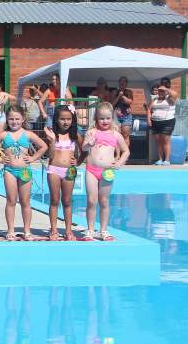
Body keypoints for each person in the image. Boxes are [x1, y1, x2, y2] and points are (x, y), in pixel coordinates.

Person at [0, 106, 47, 241]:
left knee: (25, 201)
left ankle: (27, 230)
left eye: (17, 119)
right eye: (11, 119)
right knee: (11, 200)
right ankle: (11, 230)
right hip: (9, 171)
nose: (14, 122)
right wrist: (0, 159)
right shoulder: (3, 135)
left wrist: (32, 158)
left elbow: (44, 146)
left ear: (23, 119)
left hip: (25, 170)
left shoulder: (28, 134)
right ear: (7, 120)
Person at [82, 103, 130, 240]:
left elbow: (126, 151)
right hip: (91, 170)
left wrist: (120, 162)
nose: (105, 121)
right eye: (101, 118)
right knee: (91, 201)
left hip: (107, 171)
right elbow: (84, 148)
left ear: (112, 118)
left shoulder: (116, 135)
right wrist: (88, 144)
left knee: (104, 201)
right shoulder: (92, 132)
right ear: (96, 118)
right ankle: (90, 230)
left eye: (108, 118)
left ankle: (103, 230)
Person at [43, 107, 82, 241]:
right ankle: (53, 230)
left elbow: (85, 151)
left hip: (69, 171)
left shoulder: (75, 136)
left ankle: (68, 230)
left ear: (73, 120)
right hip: (54, 169)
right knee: (54, 201)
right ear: (56, 120)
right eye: (62, 119)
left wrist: (78, 161)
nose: (65, 122)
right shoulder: (52, 135)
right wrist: (53, 140)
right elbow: (51, 155)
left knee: (67, 201)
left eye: (68, 119)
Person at [147, 81, 178, 165]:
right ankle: (160, 159)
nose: (160, 92)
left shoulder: (170, 99)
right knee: (159, 142)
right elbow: (149, 109)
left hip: (167, 122)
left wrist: (165, 89)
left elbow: (175, 94)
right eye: (159, 91)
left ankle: (167, 160)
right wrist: (149, 119)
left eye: (162, 91)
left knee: (165, 141)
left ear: (165, 92)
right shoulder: (155, 99)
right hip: (155, 122)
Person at [112, 76, 134, 148]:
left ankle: (125, 154)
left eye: (124, 81)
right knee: (116, 135)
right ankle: (117, 155)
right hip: (116, 116)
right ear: (118, 82)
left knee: (125, 135)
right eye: (121, 81)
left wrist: (123, 96)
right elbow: (112, 104)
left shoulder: (129, 92)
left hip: (126, 115)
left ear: (126, 83)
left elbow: (129, 102)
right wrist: (119, 96)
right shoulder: (114, 92)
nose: (122, 83)